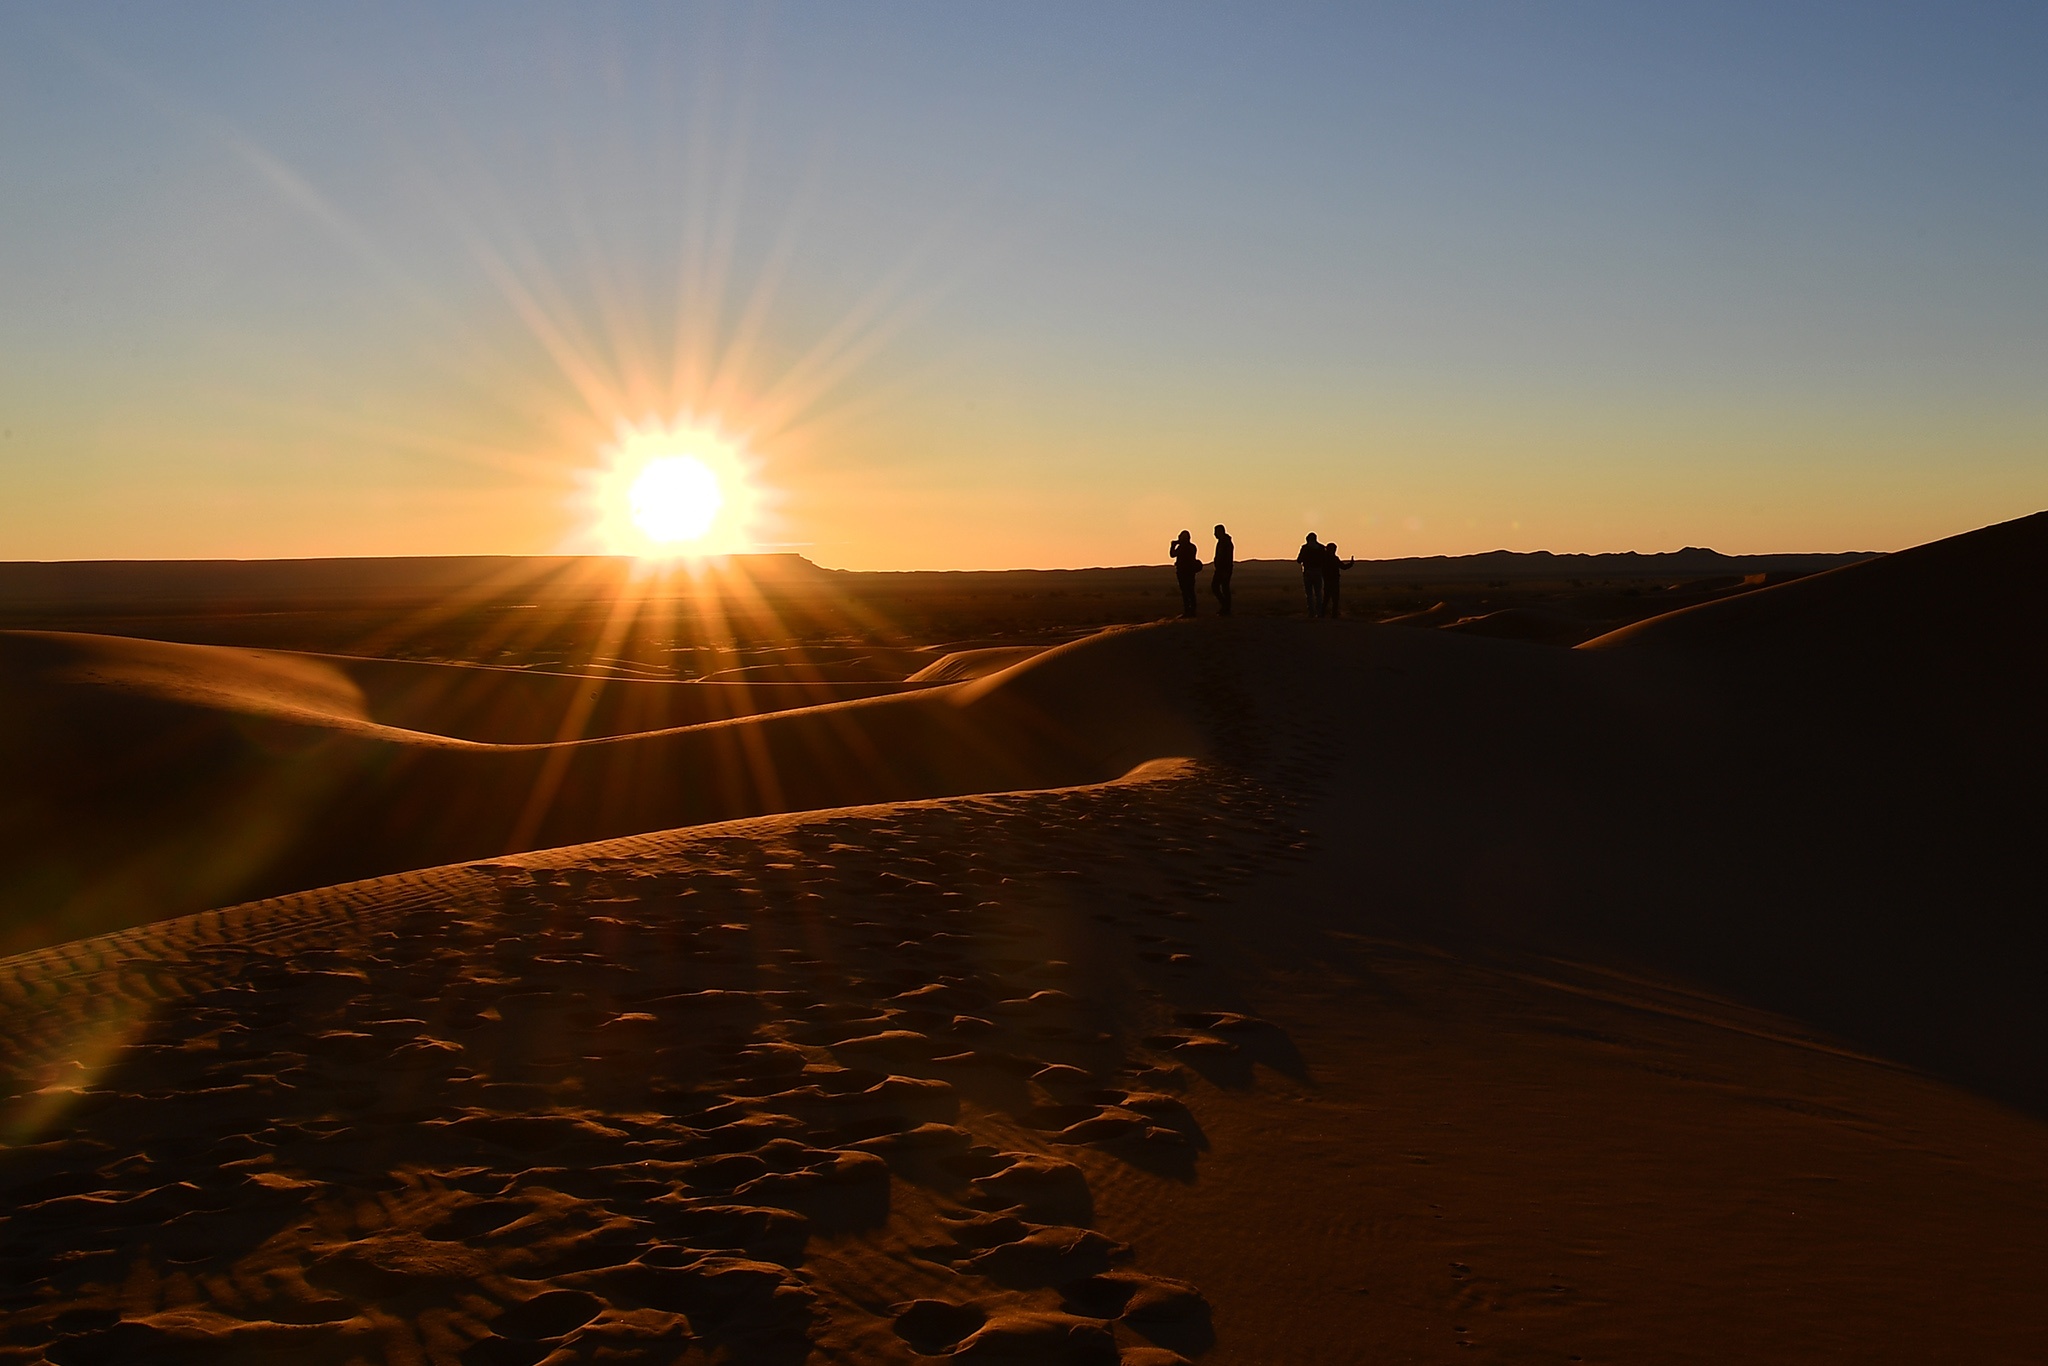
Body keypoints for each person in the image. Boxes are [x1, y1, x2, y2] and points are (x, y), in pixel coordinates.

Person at [1169, 530, 1203, 618]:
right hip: (1188, 572)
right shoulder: (1192, 547)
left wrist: (1173, 546)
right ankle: (1191, 611)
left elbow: (1172, 554)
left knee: (1186, 591)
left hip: (1184, 572)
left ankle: (1188, 611)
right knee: (1189, 591)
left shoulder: (1184, 547)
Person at [1321, 540, 1354, 618]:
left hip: (1329, 580)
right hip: (1333, 580)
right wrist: (1351, 564)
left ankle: (1324, 614)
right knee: (1333, 598)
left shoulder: (1324, 558)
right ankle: (1333, 614)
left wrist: (1350, 564)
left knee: (1327, 598)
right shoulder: (1333, 558)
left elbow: (1343, 567)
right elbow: (1343, 567)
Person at [1296, 533, 1325, 616]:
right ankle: (1319, 612)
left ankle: (1311, 612)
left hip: (1308, 572)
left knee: (1309, 594)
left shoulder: (1305, 548)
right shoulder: (1321, 548)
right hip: (1318, 572)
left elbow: (1299, 560)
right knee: (1318, 593)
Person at [1210, 524, 1235, 616]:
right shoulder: (1222, 542)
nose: (1214, 534)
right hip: (1221, 568)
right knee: (1222, 587)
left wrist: (1225, 569)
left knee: (1220, 587)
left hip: (1224, 569)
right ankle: (1225, 607)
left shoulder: (1226, 543)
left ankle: (1226, 607)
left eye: (1216, 532)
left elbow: (1227, 557)